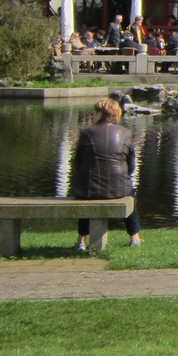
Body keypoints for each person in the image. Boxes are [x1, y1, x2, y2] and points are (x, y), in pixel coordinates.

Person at [71, 98, 141, 249]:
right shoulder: (125, 133)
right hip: (118, 189)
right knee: (130, 192)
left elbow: (77, 163)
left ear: (100, 114)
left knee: (85, 192)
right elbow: (131, 166)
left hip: (88, 189)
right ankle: (134, 237)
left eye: (94, 113)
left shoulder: (86, 132)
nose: (92, 116)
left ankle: (81, 241)